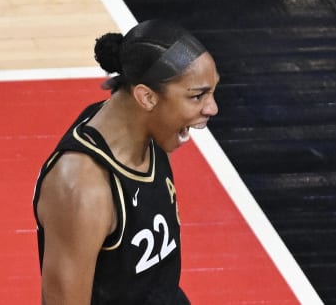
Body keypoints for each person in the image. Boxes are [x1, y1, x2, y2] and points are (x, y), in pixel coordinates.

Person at [33, 20, 220, 304]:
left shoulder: (147, 128)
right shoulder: (83, 190)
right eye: (197, 96)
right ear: (146, 97)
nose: (212, 108)